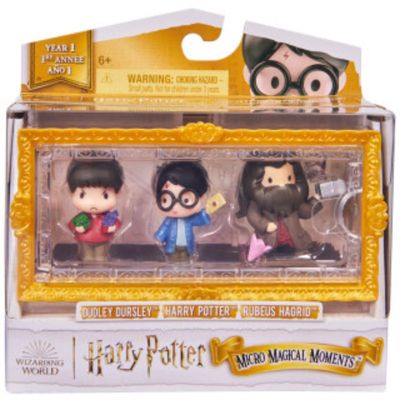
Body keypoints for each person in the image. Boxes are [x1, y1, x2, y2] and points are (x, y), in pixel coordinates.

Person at [67, 159, 123, 262]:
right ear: (72, 193)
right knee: (86, 258)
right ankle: (86, 268)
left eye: (105, 195)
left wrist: (112, 228)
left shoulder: (108, 217)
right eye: (82, 195)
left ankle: (101, 268)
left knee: (101, 258)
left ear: (117, 193)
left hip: (102, 240)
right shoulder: (81, 217)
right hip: (84, 239)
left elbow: (117, 223)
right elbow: (71, 224)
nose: (93, 203)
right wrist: (77, 228)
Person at [153, 161, 210, 262]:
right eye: (166, 200)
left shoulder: (190, 219)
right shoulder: (169, 220)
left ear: (201, 197)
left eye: (186, 200)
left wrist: (206, 210)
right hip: (172, 246)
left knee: (186, 261)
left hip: (187, 246)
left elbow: (201, 220)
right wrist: (159, 237)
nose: (176, 207)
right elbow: (164, 228)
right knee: (173, 262)